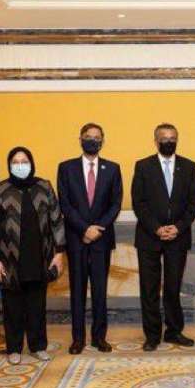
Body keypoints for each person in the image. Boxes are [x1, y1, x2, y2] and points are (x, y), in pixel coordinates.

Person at [0, 147, 66, 365]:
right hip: (9, 259)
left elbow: (57, 221)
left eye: (24, 161)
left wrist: (59, 253)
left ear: (31, 163)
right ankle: (14, 348)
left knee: (37, 305)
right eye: (15, 162)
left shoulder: (44, 187)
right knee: (12, 306)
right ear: (9, 165)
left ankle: (38, 346)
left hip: (40, 257)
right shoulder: (0, 190)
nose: (20, 165)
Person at [131, 123, 195, 351]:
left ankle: (174, 331)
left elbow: (192, 204)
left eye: (172, 138)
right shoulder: (143, 166)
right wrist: (157, 228)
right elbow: (138, 202)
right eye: (164, 138)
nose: (168, 142)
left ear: (177, 140)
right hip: (149, 237)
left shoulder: (189, 167)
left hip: (178, 237)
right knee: (149, 289)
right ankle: (152, 335)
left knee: (173, 287)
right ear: (156, 141)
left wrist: (177, 228)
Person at [57, 123, 122, 355]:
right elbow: (65, 204)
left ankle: (99, 337)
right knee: (77, 291)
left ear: (103, 141)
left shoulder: (112, 169)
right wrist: (85, 229)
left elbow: (115, 203)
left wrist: (97, 229)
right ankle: (78, 339)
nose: (92, 140)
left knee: (100, 291)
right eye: (88, 136)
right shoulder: (66, 168)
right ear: (80, 139)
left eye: (96, 137)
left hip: (101, 240)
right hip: (77, 239)